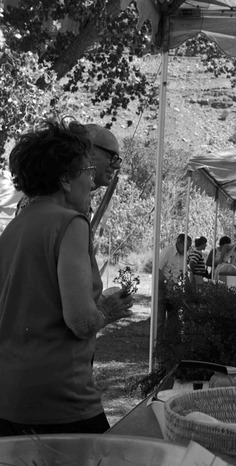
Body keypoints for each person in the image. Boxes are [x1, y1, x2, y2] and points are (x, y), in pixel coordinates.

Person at [0, 118, 134, 437]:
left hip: (10, 395)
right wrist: (108, 311)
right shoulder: (70, 222)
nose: (90, 183)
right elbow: (81, 322)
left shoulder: (13, 228)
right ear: (64, 179)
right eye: (86, 173)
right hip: (60, 397)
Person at [15, 123, 122, 216]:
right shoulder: (49, 201)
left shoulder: (75, 202)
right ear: (88, 148)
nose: (117, 165)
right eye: (112, 156)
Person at [158, 233, 192, 344]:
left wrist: (187, 285)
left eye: (189, 248)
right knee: (160, 320)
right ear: (179, 243)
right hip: (162, 289)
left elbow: (184, 273)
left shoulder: (185, 256)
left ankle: (170, 345)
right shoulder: (167, 252)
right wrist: (166, 283)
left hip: (176, 290)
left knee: (174, 319)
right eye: (186, 247)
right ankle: (157, 345)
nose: (187, 250)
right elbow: (157, 270)